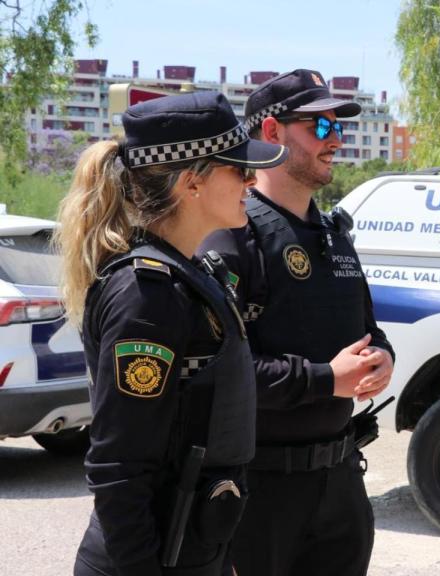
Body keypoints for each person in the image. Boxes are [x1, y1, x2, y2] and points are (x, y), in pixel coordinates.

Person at [57, 92, 288, 575]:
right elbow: (118, 471)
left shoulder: (190, 272)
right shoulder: (147, 296)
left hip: (191, 550)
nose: (251, 179)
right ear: (192, 183)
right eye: (236, 168)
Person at [198, 69, 394, 576]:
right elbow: (222, 375)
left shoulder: (334, 235)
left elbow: (370, 327)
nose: (336, 139)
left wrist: (382, 358)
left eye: (338, 126)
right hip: (262, 491)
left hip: (340, 480)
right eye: (320, 127)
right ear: (271, 133)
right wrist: (327, 379)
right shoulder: (231, 237)